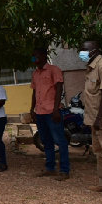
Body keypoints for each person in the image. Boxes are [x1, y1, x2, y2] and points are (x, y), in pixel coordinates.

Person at [30, 48, 70, 181]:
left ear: (43, 55)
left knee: (60, 141)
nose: (34, 58)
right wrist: (32, 109)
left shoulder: (54, 70)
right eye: (33, 56)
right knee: (46, 141)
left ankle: (65, 170)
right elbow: (34, 92)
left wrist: (56, 109)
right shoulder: (35, 74)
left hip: (52, 112)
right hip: (40, 112)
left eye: (36, 55)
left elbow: (59, 88)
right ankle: (50, 168)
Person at [78, 41, 102, 191]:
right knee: (99, 152)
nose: (81, 52)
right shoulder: (90, 69)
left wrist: (99, 118)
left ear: (94, 51)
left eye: (84, 49)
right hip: (93, 117)